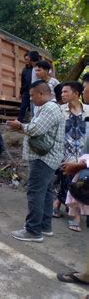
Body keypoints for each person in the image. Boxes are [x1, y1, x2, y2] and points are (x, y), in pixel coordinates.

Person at [8, 80, 64, 242]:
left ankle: (33, 231)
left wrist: (20, 126)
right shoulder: (50, 108)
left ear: (41, 93)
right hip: (47, 158)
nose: (31, 99)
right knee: (45, 193)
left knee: (35, 192)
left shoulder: (49, 108)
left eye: (32, 95)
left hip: (43, 158)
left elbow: (35, 129)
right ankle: (45, 227)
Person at [57, 73, 89, 287]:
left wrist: (80, 164)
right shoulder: (60, 111)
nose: (85, 91)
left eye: (86, 88)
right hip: (71, 159)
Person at [53, 81, 89, 226]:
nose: (62, 95)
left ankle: (74, 215)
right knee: (66, 181)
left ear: (76, 93)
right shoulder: (60, 110)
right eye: (61, 92)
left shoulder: (87, 110)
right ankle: (63, 207)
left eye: (65, 91)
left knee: (79, 183)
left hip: (83, 154)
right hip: (64, 153)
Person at [18, 53, 33, 122]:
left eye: (27, 59)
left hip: (34, 91)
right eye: (25, 59)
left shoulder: (36, 69)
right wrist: (21, 92)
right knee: (23, 107)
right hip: (26, 91)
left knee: (32, 108)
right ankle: (19, 122)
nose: (26, 61)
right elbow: (22, 82)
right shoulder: (24, 70)